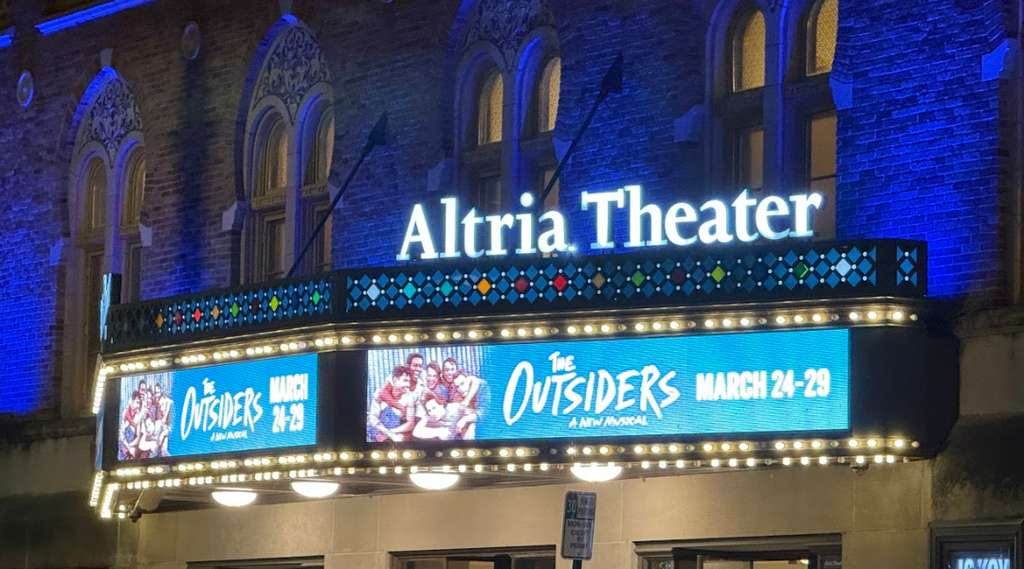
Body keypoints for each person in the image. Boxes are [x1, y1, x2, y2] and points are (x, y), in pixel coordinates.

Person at [368, 365, 416, 442]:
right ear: (395, 380)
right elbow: (373, 420)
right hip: (371, 433)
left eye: (409, 381)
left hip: (388, 436)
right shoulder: (379, 393)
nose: (408, 385)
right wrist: (390, 435)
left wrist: (390, 432)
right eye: (405, 380)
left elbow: (410, 424)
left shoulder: (409, 397)